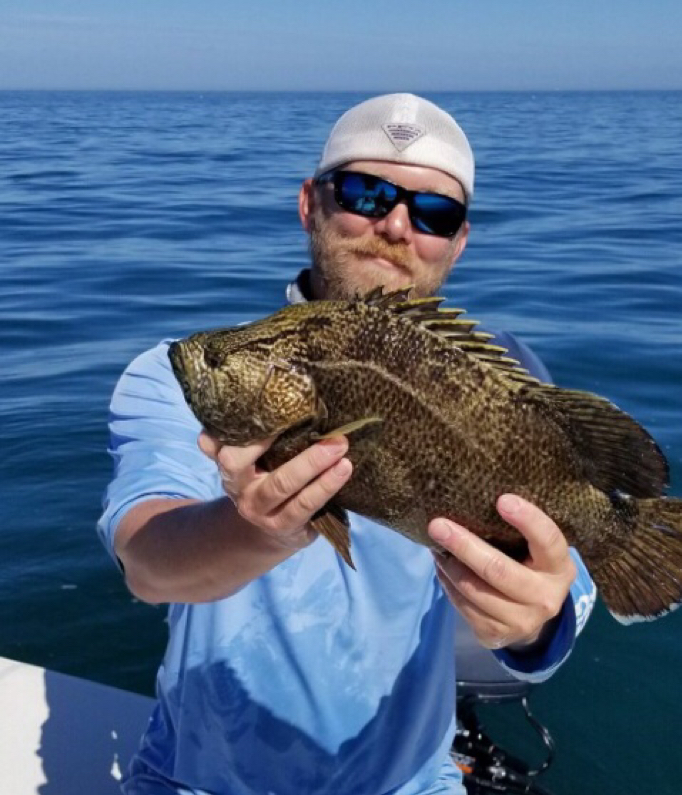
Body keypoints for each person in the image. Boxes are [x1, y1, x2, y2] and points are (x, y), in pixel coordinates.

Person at [98, 93, 596, 795]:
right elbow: (147, 563)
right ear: (310, 203)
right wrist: (255, 530)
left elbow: (559, 592)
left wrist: (531, 625)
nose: (395, 226)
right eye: (366, 193)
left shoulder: (505, 381)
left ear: (458, 241)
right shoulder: (179, 373)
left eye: (434, 213)